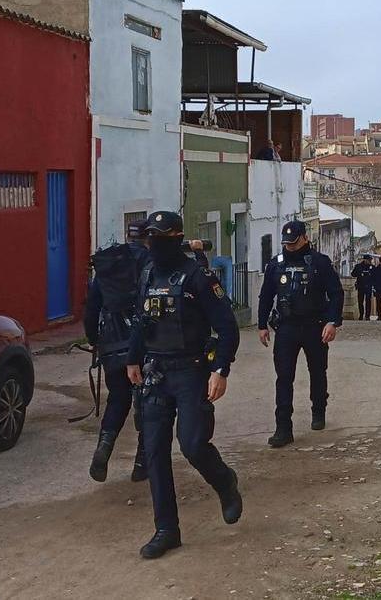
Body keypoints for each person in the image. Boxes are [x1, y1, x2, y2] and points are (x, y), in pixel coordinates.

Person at [126, 211, 243, 559]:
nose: (153, 245)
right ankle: (167, 529)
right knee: (155, 452)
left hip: (192, 371)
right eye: (150, 238)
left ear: (176, 237)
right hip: (156, 372)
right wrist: (132, 358)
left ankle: (224, 482)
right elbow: (141, 320)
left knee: (192, 445)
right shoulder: (147, 272)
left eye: (160, 238)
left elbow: (227, 328)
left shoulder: (197, 278)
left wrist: (220, 369)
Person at [257, 220, 344, 447]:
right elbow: (266, 295)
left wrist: (332, 322)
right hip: (286, 327)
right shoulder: (276, 265)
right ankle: (283, 428)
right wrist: (261, 325)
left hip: (315, 325)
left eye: (294, 243)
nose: (290, 247)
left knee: (317, 371)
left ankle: (318, 409)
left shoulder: (319, 263)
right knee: (284, 377)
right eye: (287, 244)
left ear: (304, 238)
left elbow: (336, 293)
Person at [83, 241, 149, 483]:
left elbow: (91, 309)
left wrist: (93, 340)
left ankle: (104, 447)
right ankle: (142, 463)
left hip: (111, 345)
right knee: (147, 404)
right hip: (141, 346)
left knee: (117, 400)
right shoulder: (146, 263)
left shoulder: (108, 268)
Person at [351, 254, 375, 320]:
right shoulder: (358, 266)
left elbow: (375, 276)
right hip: (361, 286)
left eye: (370, 260)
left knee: (368, 301)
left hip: (368, 286)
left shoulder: (372, 267)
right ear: (364, 260)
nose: (370, 261)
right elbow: (353, 274)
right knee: (360, 301)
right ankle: (361, 315)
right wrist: (359, 273)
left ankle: (367, 316)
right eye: (368, 260)